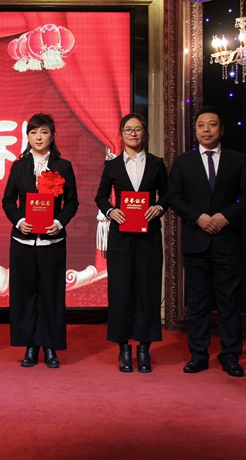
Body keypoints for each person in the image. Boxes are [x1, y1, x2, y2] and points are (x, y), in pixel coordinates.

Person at [164, 105, 246, 377]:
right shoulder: (183, 162)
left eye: (212, 125)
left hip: (228, 242)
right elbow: (174, 197)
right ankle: (198, 354)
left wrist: (225, 217)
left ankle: (230, 355)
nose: (206, 130)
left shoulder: (238, 160)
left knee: (229, 302)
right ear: (195, 130)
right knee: (198, 303)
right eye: (201, 125)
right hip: (196, 242)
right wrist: (198, 218)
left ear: (222, 129)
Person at [2, 113, 79, 368]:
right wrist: (18, 221)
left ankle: (50, 347)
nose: (38, 137)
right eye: (34, 132)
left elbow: (72, 202)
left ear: (52, 136)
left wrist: (58, 223)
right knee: (25, 295)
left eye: (44, 132)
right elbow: (8, 200)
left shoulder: (62, 166)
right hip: (23, 242)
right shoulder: (19, 166)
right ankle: (30, 347)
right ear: (27, 136)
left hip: (51, 243)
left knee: (51, 295)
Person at [95, 113, 168, 373]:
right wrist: (110, 211)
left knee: (148, 289)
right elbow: (101, 196)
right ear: (121, 134)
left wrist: (159, 207)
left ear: (145, 134)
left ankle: (144, 348)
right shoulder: (113, 165)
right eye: (128, 129)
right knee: (121, 290)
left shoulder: (157, 164)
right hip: (121, 237)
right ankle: (124, 348)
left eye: (138, 129)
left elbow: (168, 194)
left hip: (149, 236)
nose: (133, 134)